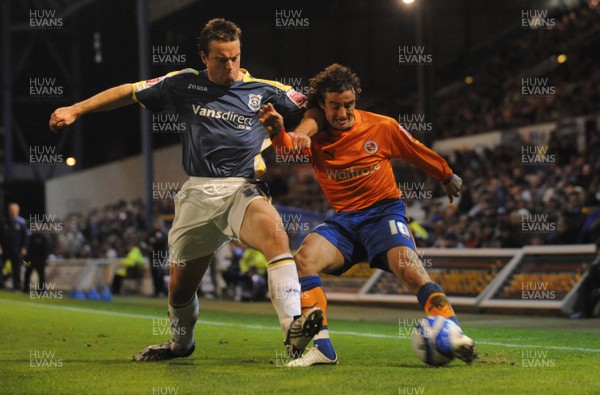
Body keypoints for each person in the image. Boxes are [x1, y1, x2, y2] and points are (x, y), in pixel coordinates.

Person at [49, 18, 323, 361]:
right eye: (221, 59)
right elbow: (129, 91)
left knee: (276, 237)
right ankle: (181, 345)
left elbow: (316, 106)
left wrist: (303, 133)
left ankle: (292, 332)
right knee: (180, 288)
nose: (231, 66)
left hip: (243, 188)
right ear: (203, 57)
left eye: (235, 57)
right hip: (197, 194)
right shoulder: (181, 84)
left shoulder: (266, 90)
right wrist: (76, 109)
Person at [259, 64, 477, 367]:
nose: (343, 112)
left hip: (383, 213)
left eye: (349, 104)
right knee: (305, 258)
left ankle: (453, 332)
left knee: (411, 270)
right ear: (323, 104)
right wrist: (277, 132)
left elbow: (414, 150)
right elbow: (289, 149)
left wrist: (446, 173)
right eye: (335, 106)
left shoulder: (381, 127)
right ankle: (323, 348)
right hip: (345, 222)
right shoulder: (318, 137)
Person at [0, 203, 30, 291]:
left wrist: (24, 247)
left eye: (15, 211)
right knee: (0, 266)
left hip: (16, 250)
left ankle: (17, 286)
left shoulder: (22, 222)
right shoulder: (4, 221)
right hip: (4, 249)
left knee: (16, 268)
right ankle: (1, 284)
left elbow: (25, 236)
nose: (13, 212)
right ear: (9, 211)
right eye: (11, 210)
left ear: (18, 211)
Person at [570, 240, 600, 319]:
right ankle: (580, 311)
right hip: (595, 288)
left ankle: (582, 311)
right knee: (583, 287)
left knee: (590, 291)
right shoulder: (596, 264)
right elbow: (590, 279)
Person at [24, 226, 49, 293]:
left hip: (40, 260)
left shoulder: (43, 238)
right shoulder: (30, 237)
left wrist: (44, 260)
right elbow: (27, 249)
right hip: (30, 259)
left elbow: (45, 251)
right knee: (27, 274)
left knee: (41, 276)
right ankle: (25, 289)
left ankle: (41, 290)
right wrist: (26, 260)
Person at [147, 218, 168, 297]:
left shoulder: (163, 232)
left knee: (160, 273)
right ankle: (156, 290)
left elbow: (161, 241)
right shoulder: (152, 232)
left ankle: (161, 291)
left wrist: (154, 241)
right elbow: (147, 239)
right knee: (154, 273)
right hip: (153, 255)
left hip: (160, 255)